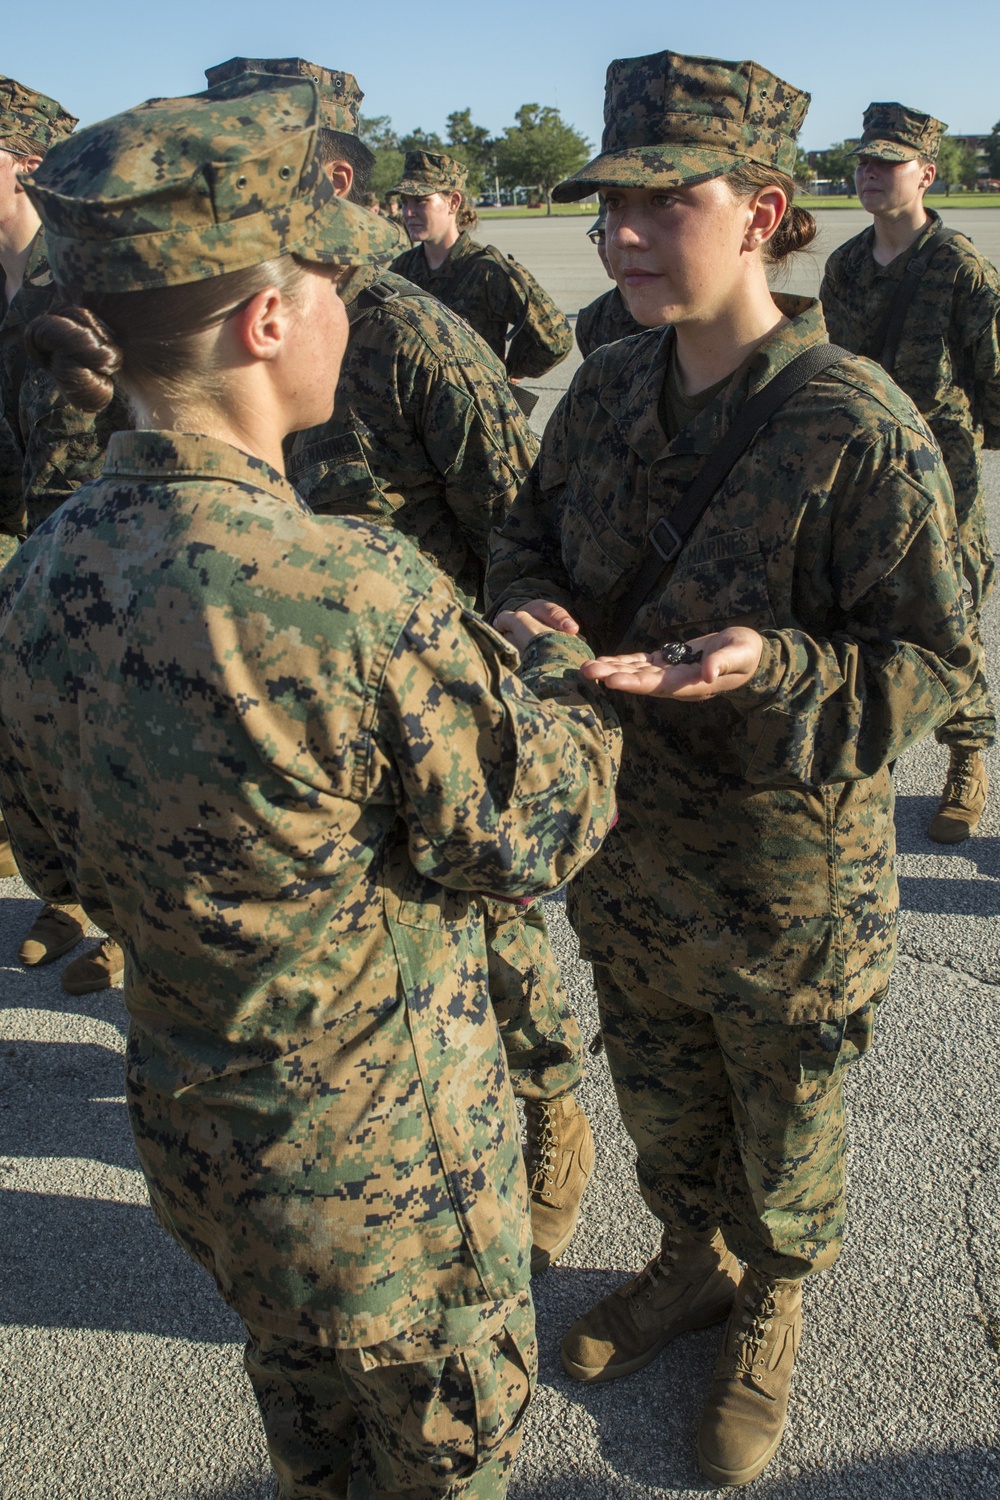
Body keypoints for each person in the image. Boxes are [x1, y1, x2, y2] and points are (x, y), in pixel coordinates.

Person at [0, 74, 621, 1498]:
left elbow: (60, 858)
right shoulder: (347, 589)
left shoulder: (41, 577)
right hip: (396, 1188)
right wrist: (558, 674)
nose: (355, 309)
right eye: (336, 282)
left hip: (211, 1161)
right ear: (267, 319)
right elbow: (534, 837)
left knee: (310, 1451)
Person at [487, 49, 980, 1487]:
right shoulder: (605, 389)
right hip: (628, 855)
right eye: (608, 206)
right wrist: (533, 607)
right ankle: (687, 1260)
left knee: (784, 1118)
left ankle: (771, 1299)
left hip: (786, 886)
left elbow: (939, 668)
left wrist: (779, 668)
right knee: (658, 1091)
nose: (624, 232)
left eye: (664, 198)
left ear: (765, 209)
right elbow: (525, 534)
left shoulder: (854, 426)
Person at [204, 53, 596, 1277]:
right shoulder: (223, 323)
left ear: (328, 174)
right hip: (294, 704)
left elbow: (517, 537)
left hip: (429, 698)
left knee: (492, 927)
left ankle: (548, 1111)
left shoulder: (412, 336)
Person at [820, 102, 999, 843]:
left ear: (925, 174)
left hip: (942, 471)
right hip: (860, 471)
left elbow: (993, 376)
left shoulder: (958, 266)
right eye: (864, 160)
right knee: (860, 606)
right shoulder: (847, 265)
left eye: (887, 162)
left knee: (947, 611)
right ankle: (876, 754)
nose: (869, 172)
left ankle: (967, 757)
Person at [0, 70, 127, 993]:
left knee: (115, 748)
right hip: (22, 560)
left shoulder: (90, 276)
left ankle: (131, 926)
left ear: (27, 164)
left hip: (104, 559)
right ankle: (67, 898)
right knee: (34, 744)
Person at [390, 151, 573, 398]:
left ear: (453, 202)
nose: (408, 212)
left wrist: (504, 370)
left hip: (473, 421)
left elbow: (556, 338)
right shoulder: (401, 270)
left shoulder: (489, 271)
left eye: (420, 201)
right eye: (405, 202)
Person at [574, 206, 643, 358]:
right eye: (601, 236)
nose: (607, 248)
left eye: (617, 234)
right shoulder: (591, 319)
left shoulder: (677, 316)